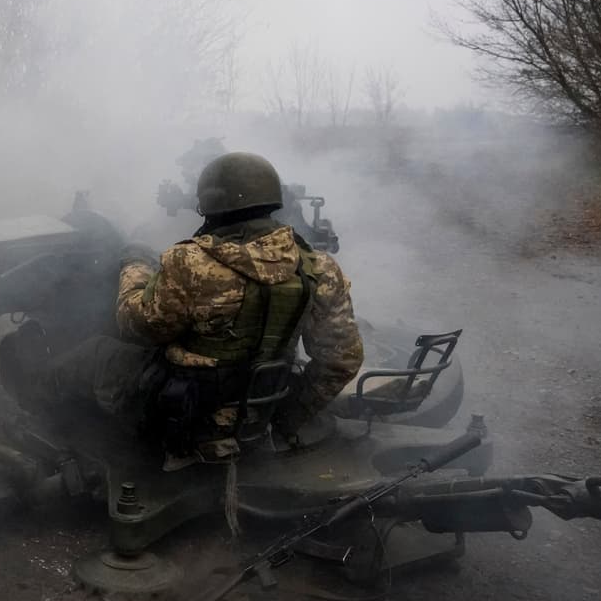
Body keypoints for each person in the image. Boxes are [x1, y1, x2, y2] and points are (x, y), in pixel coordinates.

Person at [43, 152, 363, 464]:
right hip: (261, 409)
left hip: (182, 415)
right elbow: (341, 360)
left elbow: (137, 324)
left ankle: (42, 427)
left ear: (209, 205)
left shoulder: (190, 262)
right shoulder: (318, 267)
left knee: (95, 353)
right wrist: (285, 416)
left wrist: (135, 265)